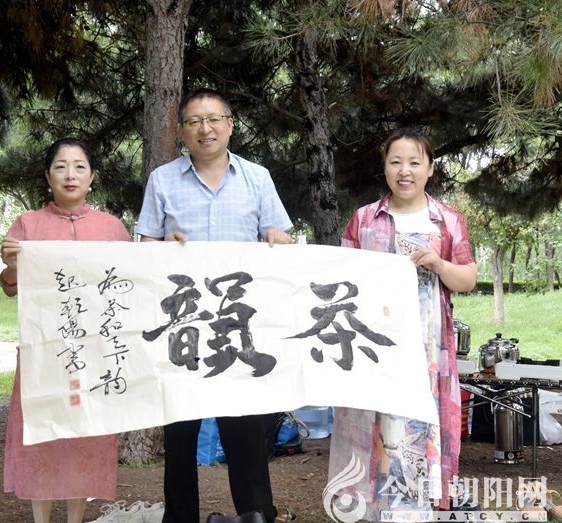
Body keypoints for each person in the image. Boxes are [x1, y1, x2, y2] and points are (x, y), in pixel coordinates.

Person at [136, 88, 295, 523]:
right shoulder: (163, 180)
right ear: (181, 130)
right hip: (183, 324)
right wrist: (163, 246)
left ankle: (256, 513)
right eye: (194, 121)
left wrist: (277, 240)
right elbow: (144, 247)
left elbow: (279, 238)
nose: (204, 129)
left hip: (237, 328)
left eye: (213, 119)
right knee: (180, 434)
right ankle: (180, 517)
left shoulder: (257, 178)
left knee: (245, 431)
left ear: (230, 124)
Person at [328, 128, 477, 520]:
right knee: (378, 428)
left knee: (421, 426)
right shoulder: (364, 220)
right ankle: (378, 510)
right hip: (375, 346)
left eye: (414, 162)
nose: (404, 171)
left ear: (430, 168)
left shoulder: (446, 221)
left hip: (428, 351)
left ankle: (415, 510)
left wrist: (439, 264)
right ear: (385, 167)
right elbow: (341, 277)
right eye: (395, 162)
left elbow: (467, 278)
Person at [0, 137, 132, 523]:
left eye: (79, 166)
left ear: (92, 177)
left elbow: (130, 283)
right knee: (41, 434)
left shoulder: (112, 228)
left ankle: (76, 518)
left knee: (86, 436)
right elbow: (11, 287)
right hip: (44, 353)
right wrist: (12, 266)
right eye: (60, 166)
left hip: (95, 355)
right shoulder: (27, 225)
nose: (70, 174)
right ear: (48, 177)